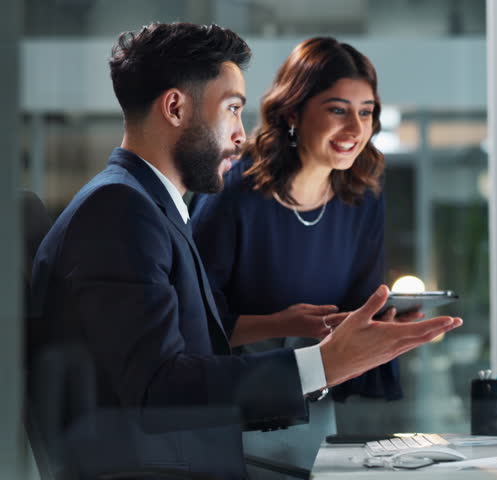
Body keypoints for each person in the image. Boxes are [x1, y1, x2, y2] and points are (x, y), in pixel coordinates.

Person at [27, 22, 461, 479]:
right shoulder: (119, 211)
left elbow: (178, 371)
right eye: (232, 109)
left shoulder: (145, 207)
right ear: (175, 107)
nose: (241, 133)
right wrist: (320, 364)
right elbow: (160, 391)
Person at [189, 36, 414, 470]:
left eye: (365, 112)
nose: (355, 129)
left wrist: (386, 322)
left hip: (316, 405)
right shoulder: (234, 190)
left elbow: (357, 301)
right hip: (233, 411)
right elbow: (195, 324)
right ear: (292, 112)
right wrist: (282, 323)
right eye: (337, 110)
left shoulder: (362, 196)